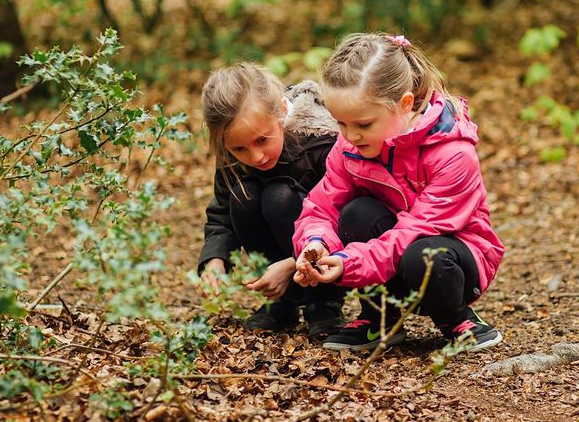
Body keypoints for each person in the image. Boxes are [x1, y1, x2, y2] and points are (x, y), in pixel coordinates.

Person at [292, 33, 504, 352]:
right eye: (341, 123)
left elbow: (414, 232)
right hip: (389, 251)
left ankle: (455, 317)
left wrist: (348, 262)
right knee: (357, 214)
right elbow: (321, 209)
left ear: (404, 104)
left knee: (424, 256)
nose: (350, 135)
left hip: (454, 254)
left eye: (363, 124)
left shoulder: (453, 153)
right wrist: (316, 245)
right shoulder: (349, 146)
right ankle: (379, 318)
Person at [198, 63, 345, 336]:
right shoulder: (231, 156)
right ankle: (283, 301)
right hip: (281, 260)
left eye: (262, 140)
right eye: (239, 148)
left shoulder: (320, 144)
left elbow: (342, 218)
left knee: (280, 197)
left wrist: (291, 266)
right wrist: (215, 260)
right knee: (244, 196)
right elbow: (221, 213)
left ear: (282, 110)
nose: (255, 156)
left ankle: (323, 302)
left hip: (326, 253)